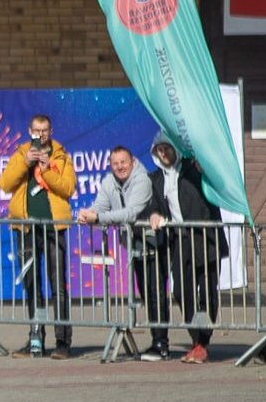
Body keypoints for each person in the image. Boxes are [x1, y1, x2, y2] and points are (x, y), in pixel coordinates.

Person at [0, 115, 76, 359]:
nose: (40, 135)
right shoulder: (20, 153)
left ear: (51, 131)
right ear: (29, 130)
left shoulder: (61, 156)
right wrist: (25, 163)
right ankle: (36, 340)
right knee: (32, 285)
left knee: (58, 286)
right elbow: (5, 183)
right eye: (36, 130)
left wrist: (46, 170)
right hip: (27, 229)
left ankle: (62, 342)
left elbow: (68, 188)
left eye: (44, 130)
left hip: (54, 228)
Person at [147, 132, 225, 364]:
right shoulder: (158, 179)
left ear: (176, 149)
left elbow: (218, 185)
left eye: (167, 149)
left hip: (205, 237)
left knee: (207, 290)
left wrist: (206, 170)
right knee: (181, 289)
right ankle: (195, 338)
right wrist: (153, 214)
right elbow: (155, 205)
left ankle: (203, 343)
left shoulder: (194, 170)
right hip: (181, 239)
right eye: (159, 150)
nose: (163, 154)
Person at [76, 146, 161, 359]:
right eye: (115, 164)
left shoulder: (142, 180)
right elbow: (100, 206)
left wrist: (99, 219)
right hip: (133, 245)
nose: (120, 167)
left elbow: (131, 213)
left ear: (132, 161)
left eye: (123, 162)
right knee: (145, 292)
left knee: (155, 293)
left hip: (154, 242)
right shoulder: (108, 182)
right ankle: (156, 341)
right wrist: (88, 214)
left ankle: (162, 343)